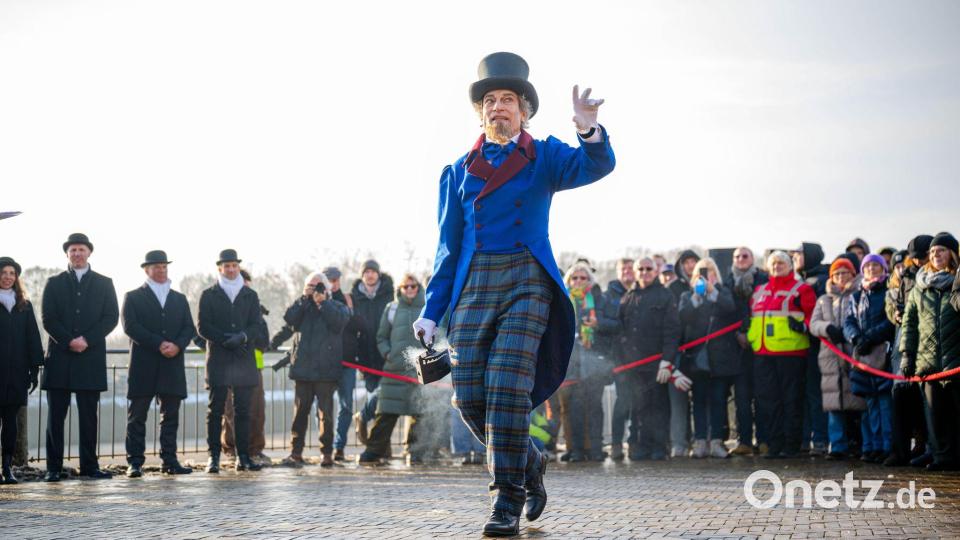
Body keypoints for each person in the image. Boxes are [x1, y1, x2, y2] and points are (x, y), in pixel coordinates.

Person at [413, 52, 615, 536]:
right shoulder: (456, 172)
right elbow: (448, 247)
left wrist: (589, 131)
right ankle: (529, 460)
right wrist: (431, 310)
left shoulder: (544, 155)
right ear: (480, 113)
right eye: (491, 101)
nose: (499, 107)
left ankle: (506, 497)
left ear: (524, 110)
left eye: (508, 100)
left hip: (527, 280)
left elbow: (598, 165)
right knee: (469, 399)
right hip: (473, 286)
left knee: (507, 388)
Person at [41, 233, 119, 481]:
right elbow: (48, 318)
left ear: (89, 253)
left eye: (81, 249)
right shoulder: (53, 283)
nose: (77, 253)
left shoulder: (105, 283)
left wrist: (87, 340)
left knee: (88, 417)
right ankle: (53, 468)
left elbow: (111, 317)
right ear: (67, 253)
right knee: (55, 418)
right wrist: (68, 340)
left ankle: (89, 466)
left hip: (90, 357)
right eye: (72, 250)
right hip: (60, 358)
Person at [121, 250, 196, 477]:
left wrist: (177, 345)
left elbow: (189, 328)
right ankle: (135, 462)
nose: (161, 270)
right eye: (156, 267)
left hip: (172, 364)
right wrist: (159, 343)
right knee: (137, 417)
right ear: (147, 270)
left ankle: (169, 461)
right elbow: (130, 326)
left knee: (170, 417)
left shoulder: (179, 298)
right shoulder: (132, 296)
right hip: (144, 364)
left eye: (164, 266)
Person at [197, 249, 266, 473]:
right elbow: (202, 326)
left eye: (234, 265)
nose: (231, 269)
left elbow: (256, 325)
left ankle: (243, 456)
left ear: (238, 267)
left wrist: (243, 337)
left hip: (243, 358)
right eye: (227, 266)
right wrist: (223, 339)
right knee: (215, 411)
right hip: (219, 357)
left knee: (243, 411)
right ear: (220, 268)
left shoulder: (250, 295)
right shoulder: (209, 294)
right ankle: (213, 457)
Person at [273, 272, 350, 467]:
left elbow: (339, 323)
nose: (315, 290)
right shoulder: (302, 307)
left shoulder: (336, 306)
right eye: (310, 286)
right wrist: (303, 299)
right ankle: (295, 452)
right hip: (303, 370)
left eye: (318, 286)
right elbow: (289, 320)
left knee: (326, 415)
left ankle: (326, 454)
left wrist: (323, 303)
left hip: (326, 371)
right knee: (300, 414)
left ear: (327, 288)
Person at [746, 250, 816, 459]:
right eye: (773, 264)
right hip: (763, 353)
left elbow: (813, 317)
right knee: (768, 401)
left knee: (791, 400)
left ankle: (791, 445)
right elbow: (752, 317)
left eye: (781, 263)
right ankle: (774, 444)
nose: (777, 267)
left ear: (790, 266)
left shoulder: (801, 289)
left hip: (791, 353)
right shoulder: (759, 291)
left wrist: (803, 326)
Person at [618, 258, 688, 460]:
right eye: (641, 269)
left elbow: (672, 331)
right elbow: (621, 332)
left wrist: (667, 361)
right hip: (634, 366)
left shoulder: (665, 295)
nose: (645, 272)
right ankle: (643, 446)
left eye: (649, 268)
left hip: (658, 366)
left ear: (655, 271)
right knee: (639, 408)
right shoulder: (628, 297)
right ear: (636, 271)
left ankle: (660, 447)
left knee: (659, 407)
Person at [901, 232, 960, 471]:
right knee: (934, 414)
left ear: (952, 254)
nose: (936, 254)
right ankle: (941, 457)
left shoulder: (957, 283)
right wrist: (906, 354)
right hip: (927, 361)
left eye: (942, 250)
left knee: (956, 412)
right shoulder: (918, 288)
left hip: (955, 359)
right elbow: (909, 324)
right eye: (933, 251)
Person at [359, 274, 431, 465]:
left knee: (420, 413)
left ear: (418, 287)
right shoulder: (391, 308)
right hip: (394, 369)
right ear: (399, 288)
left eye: (412, 286)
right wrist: (387, 353)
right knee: (386, 413)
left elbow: (437, 332)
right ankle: (374, 451)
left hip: (420, 369)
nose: (409, 290)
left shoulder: (428, 307)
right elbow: (381, 337)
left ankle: (416, 452)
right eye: (405, 287)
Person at [678, 257, 740, 459]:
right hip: (697, 360)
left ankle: (716, 441)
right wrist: (697, 296)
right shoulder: (688, 296)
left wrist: (713, 291)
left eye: (710, 272)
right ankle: (700, 441)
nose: (706, 276)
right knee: (698, 401)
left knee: (718, 401)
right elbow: (683, 317)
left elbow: (730, 309)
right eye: (701, 273)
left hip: (720, 358)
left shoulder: (723, 292)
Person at [809, 257, 865, 460]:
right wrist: (827, 328)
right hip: (830, 357)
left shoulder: (859, 295)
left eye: (845, 273)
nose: (841, 277)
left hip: (854, 354)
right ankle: (838, 444)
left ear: (853, 274)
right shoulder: (824, 299)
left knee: (858, 401)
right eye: (837, 274)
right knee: (834, 403)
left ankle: (861, 443)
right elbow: (813, 324)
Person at [885, 235, 933, 467]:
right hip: (903, 341)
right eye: (914, 259)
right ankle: (900, 450)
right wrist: (894, 313)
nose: (918, 262)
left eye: (922, 257)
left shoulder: (931, 276)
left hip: (927, 346)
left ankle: (929, 447)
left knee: (925, 400)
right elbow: (895, 308)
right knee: (900, 397)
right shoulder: (903, 277)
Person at [844, 254, 896, 463]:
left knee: (884, 402)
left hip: (881, 353)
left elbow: (890, 321)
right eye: (868, 266)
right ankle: (872, 445)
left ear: (883, 269)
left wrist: (871, 336)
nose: (872, 269)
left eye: (876, 265)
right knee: (870, 404)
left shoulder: (888, 293)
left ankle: (887, 445)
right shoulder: (856, 296)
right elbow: (848, 320)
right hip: (862, 355)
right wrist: (856, 337)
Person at [557, 262, 610, 462]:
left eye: (583, 278)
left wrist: (599, 324)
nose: (578, 281)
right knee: (573, 409)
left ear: (590, 280)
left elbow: (615, 324)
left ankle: (596, 449)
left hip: (594, 362)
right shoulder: (563, 299)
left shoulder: (599, 298)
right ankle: (576, 450)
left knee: (595, 408)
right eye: (574, 278)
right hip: (570, 363)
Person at [221, 269, 270, 465]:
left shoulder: (256, 310)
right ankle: (231, 449)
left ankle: (255, 449)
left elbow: (265, 341)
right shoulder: (224, 308)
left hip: (253, 366)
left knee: (257, 410)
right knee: (230, 410)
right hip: (227, 367)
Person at [0, 257, 43, 484]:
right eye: (3, 272)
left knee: (10, 423)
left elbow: (32, 338)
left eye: (11, 273)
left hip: (16, 373)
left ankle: (7, 468)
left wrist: (34, 369)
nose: (7, 276)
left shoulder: (24, 305)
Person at [350, 259, 394, 449]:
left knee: (384, 400)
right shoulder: (353, 297)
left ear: (378, 274)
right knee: (373, 398)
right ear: (362, 275)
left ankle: (380, 444)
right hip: (365, 356)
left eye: (373, 271)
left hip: (386, 354)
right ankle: (377, 445)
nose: (370, 274)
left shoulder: (390, 294)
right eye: (366, 272)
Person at [595, 257, 635, 461]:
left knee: (640, 401)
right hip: (619, 357)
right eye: (624, 268)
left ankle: (636, 442)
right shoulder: (607, 295)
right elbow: (600, 323)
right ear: (618, 272)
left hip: (641, 356)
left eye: (631, 268)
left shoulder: (641, 291)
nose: (628, 271)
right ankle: (617, 443)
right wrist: (621, 324)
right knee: (623, 401)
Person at [792, 242, 829, 456]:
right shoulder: (802, 280)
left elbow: (821, 313)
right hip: (800, 347)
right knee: (804, 394)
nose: (795, 257)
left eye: (798, 253)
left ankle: (820, 439)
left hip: (817, 346)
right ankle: (805, 438)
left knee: (815, 394)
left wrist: (805, 326)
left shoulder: (821, 280)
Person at [729, 246, 767, 455]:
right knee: (741, 399)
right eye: (737, 256)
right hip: (737, 349)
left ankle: (763, 439)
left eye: (745, 256)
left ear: (752, 259)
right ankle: (744, 440)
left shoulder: (763, 278)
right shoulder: (727, 281)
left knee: (762, 396)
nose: (741, 259)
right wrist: (737, 333)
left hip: (761, 346)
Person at [323, 266, 359, 462]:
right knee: (324, 408)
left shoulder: (347, 298)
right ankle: (325, 446)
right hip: (326, 363)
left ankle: (339, 447)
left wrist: (351, 309)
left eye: (335, 280)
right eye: (329, 280)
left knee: (346, 406)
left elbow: (356, 326)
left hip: (347, 361)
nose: (333, 283)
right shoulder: (319, 299)